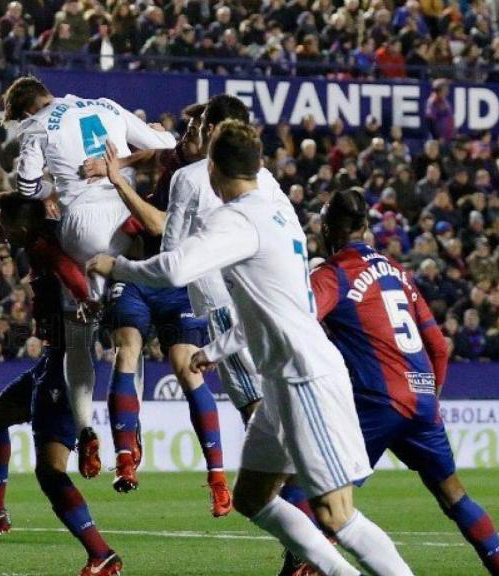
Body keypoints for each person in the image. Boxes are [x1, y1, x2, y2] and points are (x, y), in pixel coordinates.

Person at [88, 120, 412, 576]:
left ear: (214, 170)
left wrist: (116, 266)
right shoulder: (272, 207)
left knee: (337, 515)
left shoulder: (239, 218)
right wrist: (222, 346)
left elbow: (177, 268)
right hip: (280, 381)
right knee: (252, 497)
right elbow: (272, 301)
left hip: (304, 378)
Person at [274, 187, 499, 576]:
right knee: (454, 494)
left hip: (376, 399)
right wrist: (428, 399)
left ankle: (301, 568)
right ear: (367, 226)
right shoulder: (399, 272)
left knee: (302, 487)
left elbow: (299, 322)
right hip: (421, 397)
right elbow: (438, 345)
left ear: (329, 227)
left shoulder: (332, 273)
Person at [83, 101, 254, 515]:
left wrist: (119, 181)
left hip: (181, 280)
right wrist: (125, 158)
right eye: (189, 121)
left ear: (214, 134)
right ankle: (125, 457)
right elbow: (156, 153)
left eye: (197, 123)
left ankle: (217, 477)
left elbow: (161, 227)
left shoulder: (204, 180)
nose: (188, 128)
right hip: (143, 273)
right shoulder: (180, 155)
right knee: (126, 348)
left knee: (187, 367)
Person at [3, 75, 175, 477]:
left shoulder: (38, 125)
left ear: (26, 109)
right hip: (126, 214)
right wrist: (125, 162)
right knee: (127, 335)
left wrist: (53, 184)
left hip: (82, 224)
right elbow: (166, 145)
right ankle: (130, 436)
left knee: (78, 336)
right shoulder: (105, 104)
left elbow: (26, 186)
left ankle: (85, 432)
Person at [0, 192, 122, 576]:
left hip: (65, 363)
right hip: (50, 360)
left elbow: (65, 268)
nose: (2, 228)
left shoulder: (45, 246)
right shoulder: (33, 235)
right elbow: (20, 235)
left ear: (23, 224)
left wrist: (84, 297)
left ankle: (102, 554)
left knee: (50, 471)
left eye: (5, 221)